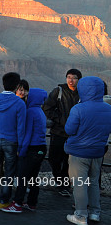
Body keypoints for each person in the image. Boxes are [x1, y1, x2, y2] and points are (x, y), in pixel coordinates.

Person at [64, 76, 111, 225]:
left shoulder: (78, 109)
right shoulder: (108, 109)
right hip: (97, 152)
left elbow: (69, 130)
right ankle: (95, 212)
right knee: (94, 183)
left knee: (80, 184)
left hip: (79, 153)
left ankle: (80, 215)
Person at [0, 72, 26, 209]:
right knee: (9, 172)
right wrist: (21, 146)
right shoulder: (19, 103)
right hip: (12, 141)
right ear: (17, 86)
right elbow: (21, 127)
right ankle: (3, 201)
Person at [5, 88, 48, 213]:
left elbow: (28, 134)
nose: (26, 98)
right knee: (33, 177)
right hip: (41, 148)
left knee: (22, 177)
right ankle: (31, 203)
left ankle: (17, 204)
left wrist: (21, 151)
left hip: (32, 149)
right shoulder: (40, 111)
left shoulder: (30, 112)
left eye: (29, 96)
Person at [42, 68, 82, 197]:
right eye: (69, 77)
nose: (71, 80)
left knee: (68, 161)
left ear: (79, 80)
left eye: (74, 78)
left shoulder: (82, 94)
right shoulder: (58, 91)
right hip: (58, 132)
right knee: (54, 159)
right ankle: (60, 181)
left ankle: (64, 186)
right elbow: (46, 108)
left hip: (74, 134)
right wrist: (59, 120)